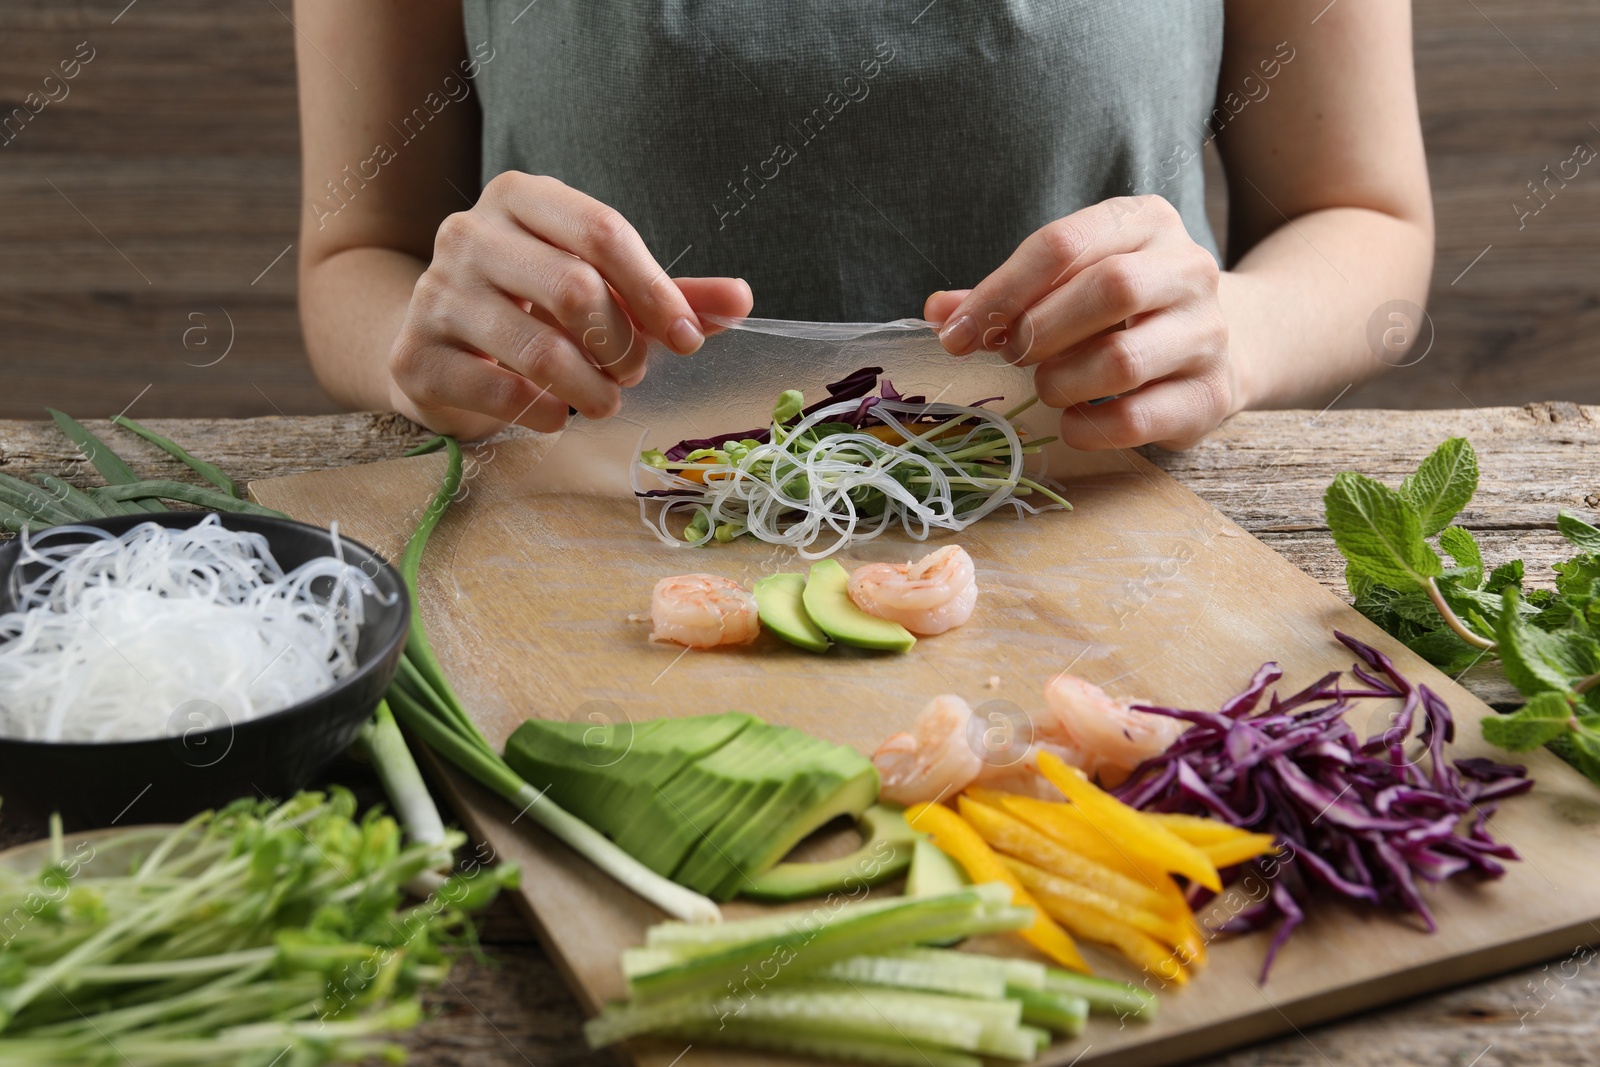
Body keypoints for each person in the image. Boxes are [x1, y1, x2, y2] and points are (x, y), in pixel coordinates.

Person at [293, 1, 1432, 450]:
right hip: (575, 557)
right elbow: (357, 256)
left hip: (1105, 537)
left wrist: (1237, 327)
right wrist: (428, 345)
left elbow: (1365, 216)